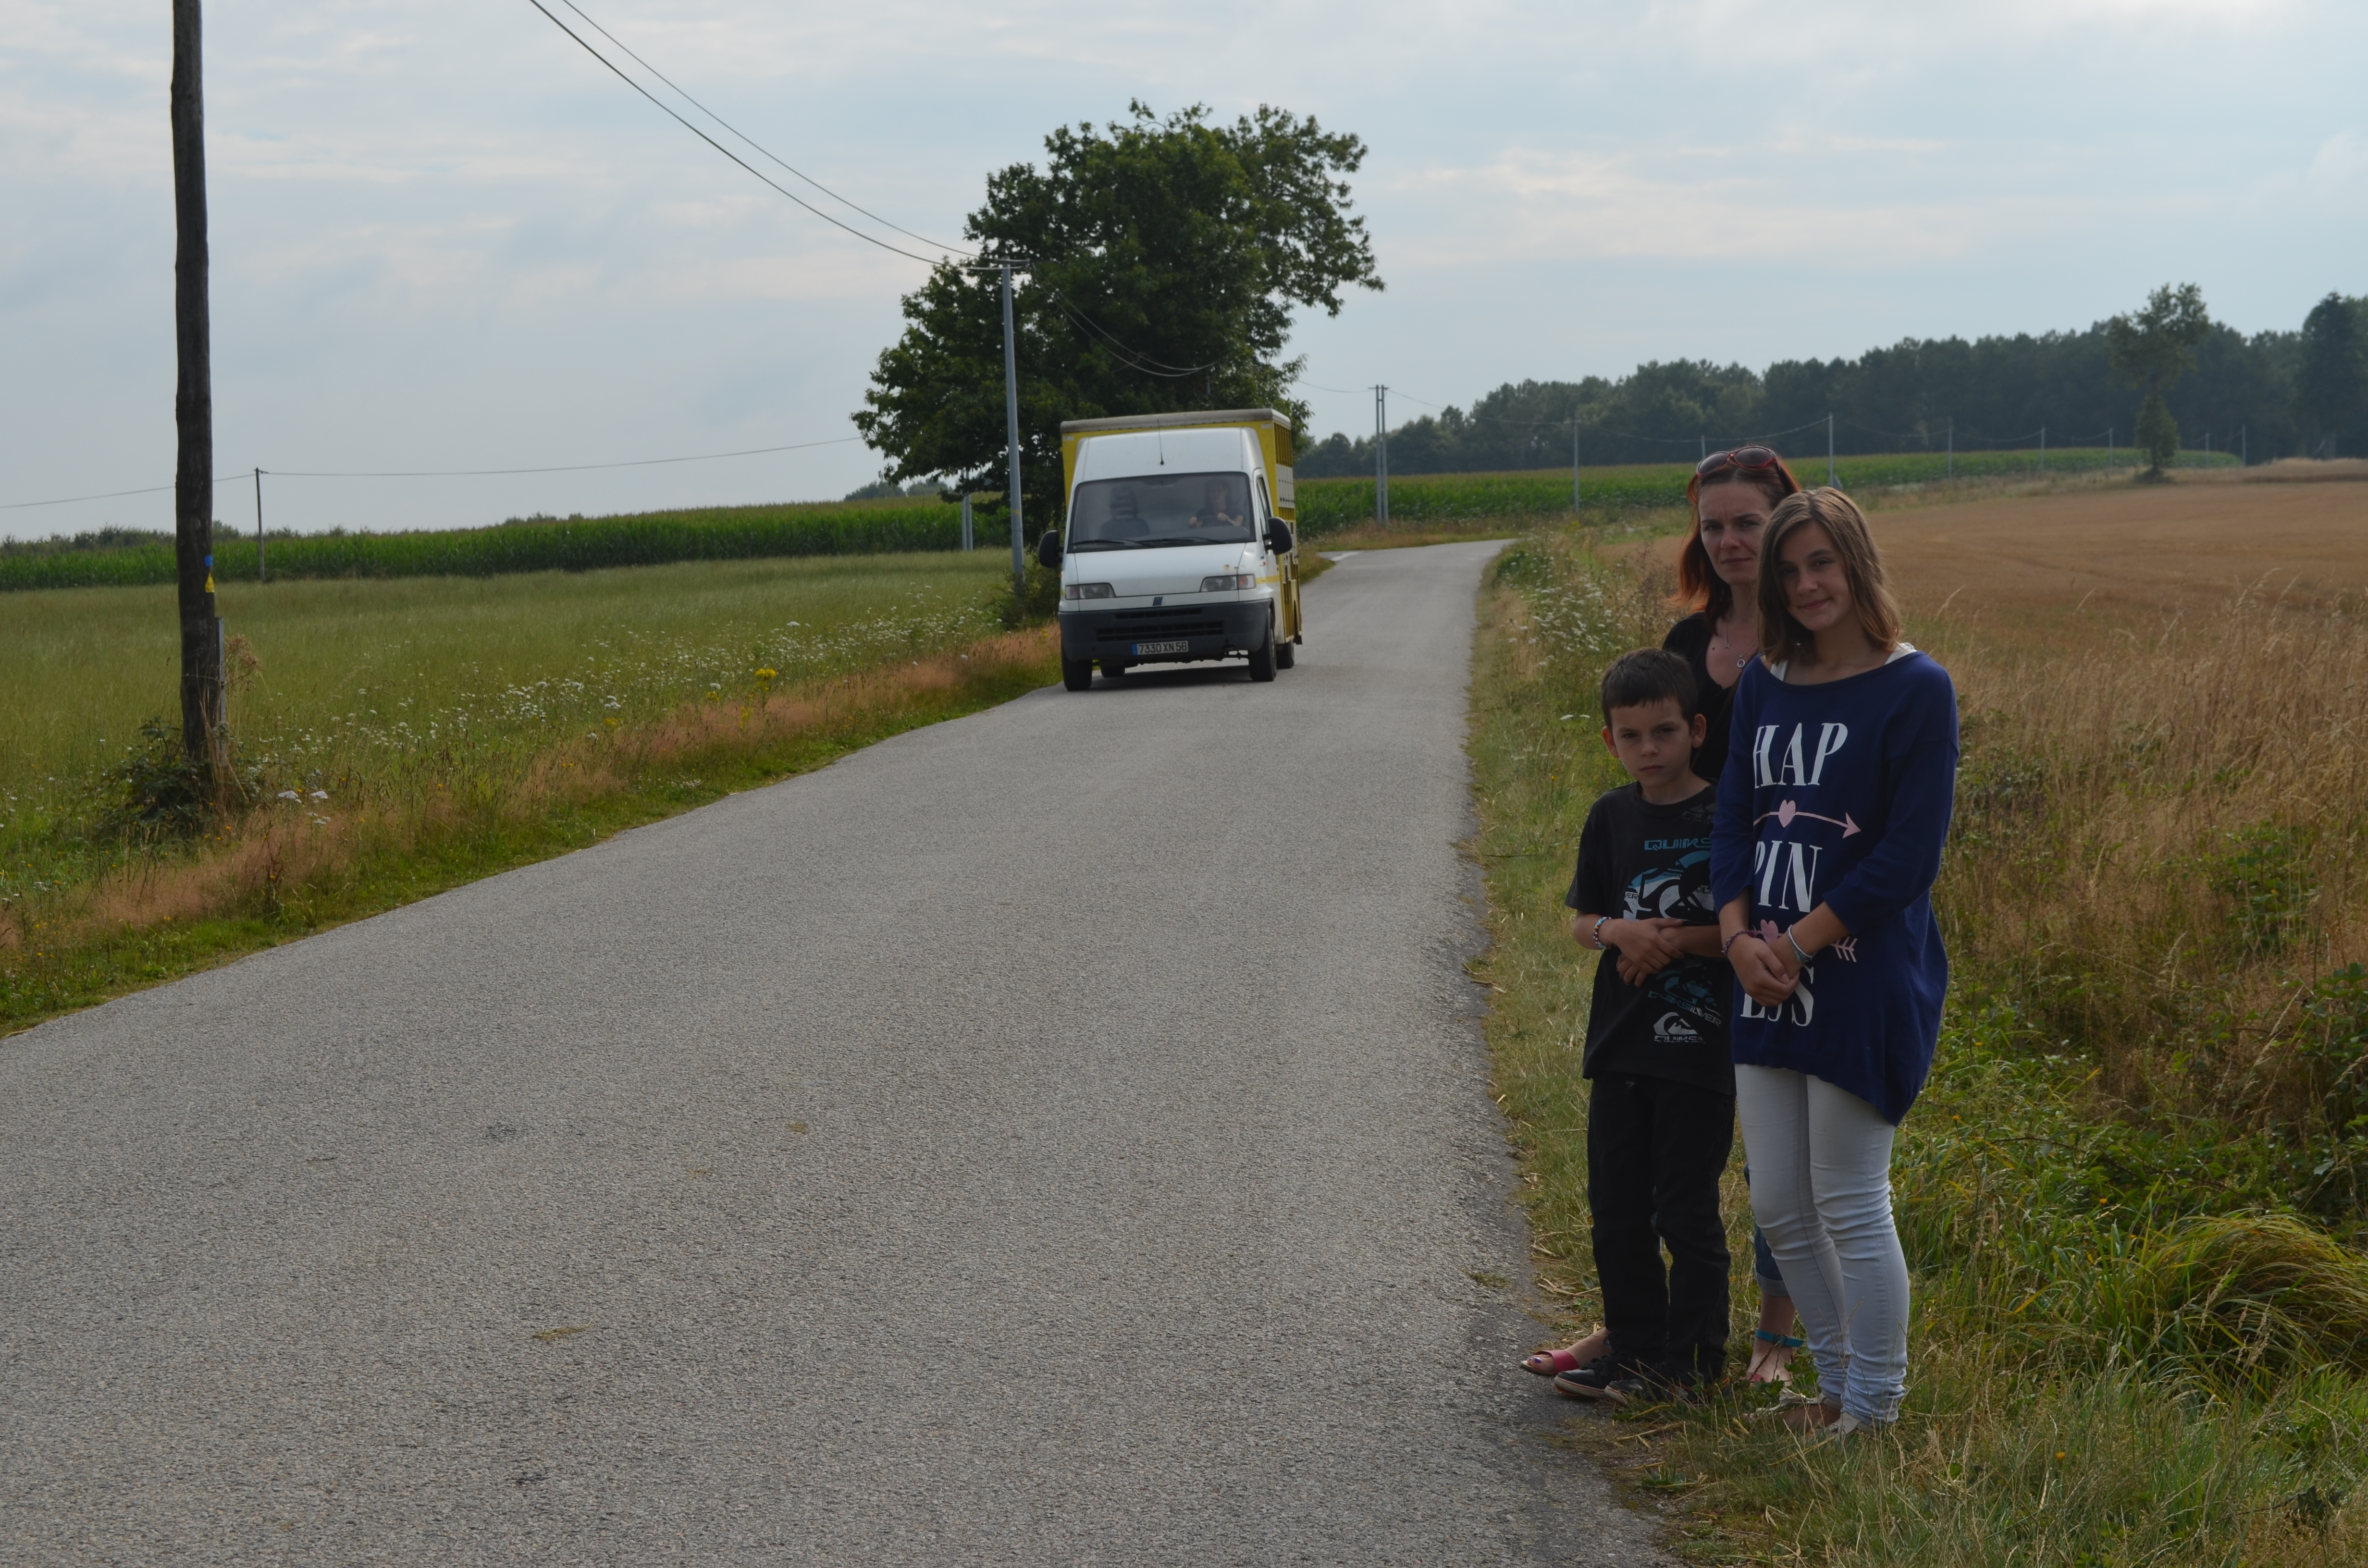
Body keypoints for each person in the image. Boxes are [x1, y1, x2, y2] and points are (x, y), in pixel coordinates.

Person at [1711, 488, 1958, 1437]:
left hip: (1855, 976)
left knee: (1849, 1201)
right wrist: (1737, 940)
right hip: (1759, 973)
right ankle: (1837, 1391)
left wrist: (1793, 944)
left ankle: (1875, 1412)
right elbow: (1733, 816)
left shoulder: (1915, 687)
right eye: (1789, 569)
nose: (1808, 584)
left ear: (1856, 562)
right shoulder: (1766, 682)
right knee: (1778, 1202)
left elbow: (1909, 852)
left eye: (1822, 562)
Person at [1543, 649, 1736, 1406]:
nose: (1649, 750)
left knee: (1684, 1210)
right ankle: (1632, 1351)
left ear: (1695, 729)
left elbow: (1740, 930)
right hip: (1621, 1042)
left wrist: (1670, 944)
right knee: (1617, 1207)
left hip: (1699, 1049)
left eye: (1664, 732)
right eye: (1631, 737)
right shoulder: (1611, 818)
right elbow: (1584, 921)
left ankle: (1690, 1369)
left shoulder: (1726, 816)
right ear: (1610, 743)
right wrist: (1620, 935)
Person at [1663, 445, 1809, 1384]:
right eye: (1711, 525)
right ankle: (1671, 1324)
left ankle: (1775, 1340)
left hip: (1791, 923)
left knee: (1778, 1152)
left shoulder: (1823, 640)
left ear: (1787, 523)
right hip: (1696, 916)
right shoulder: (1686, 648)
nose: (1726, 542)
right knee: (1684, 1129)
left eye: (1745, 522)